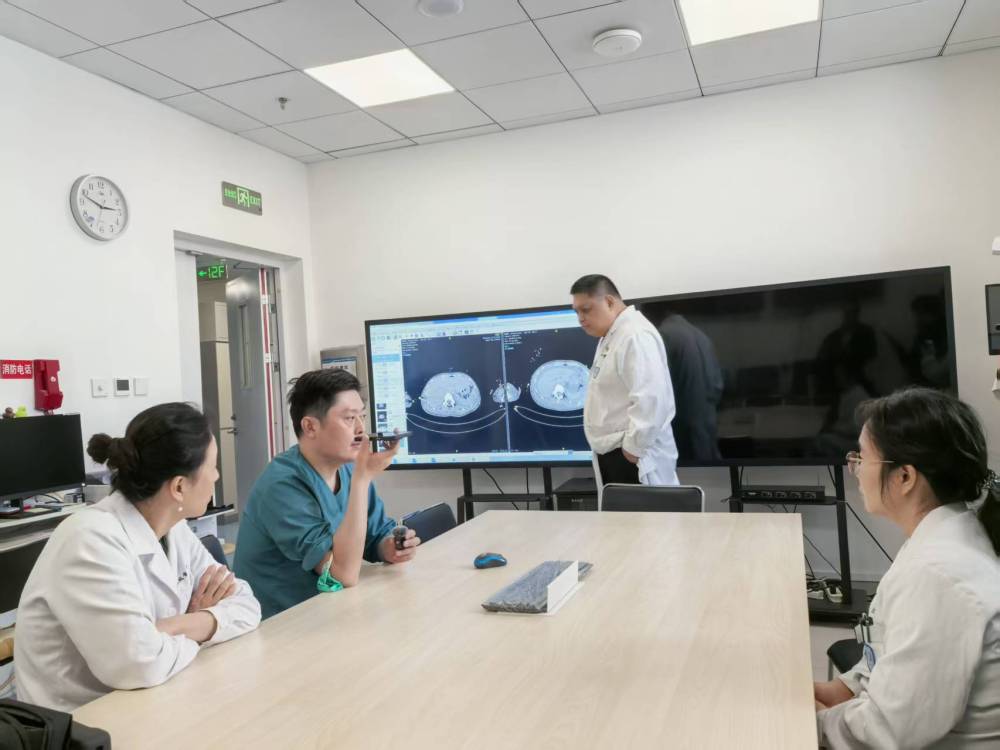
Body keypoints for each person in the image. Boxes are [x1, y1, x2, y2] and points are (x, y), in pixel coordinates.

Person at [14, 403, 261, 712]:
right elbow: (139, 664)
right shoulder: (90, 540)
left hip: (157, 698)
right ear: (179, 487)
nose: (217, 475)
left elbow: (247, 605)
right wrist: (201, 629)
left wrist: (176, 625)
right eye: (212, 466)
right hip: (84, 720)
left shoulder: (174, 529)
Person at [814, 387, 1000, 748]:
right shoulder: (943, 534)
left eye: (862, 457)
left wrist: (813, 722)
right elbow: (890, 649)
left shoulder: (937, 576)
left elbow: (888, 732)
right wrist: (840, 690)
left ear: (904, 477)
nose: (854, 469)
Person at [234, 368, 419, 619]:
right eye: (349, 418)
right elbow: (342, 574)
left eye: (362, 417)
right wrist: (362, 480)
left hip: (330, 611)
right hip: (282, 623)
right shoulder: (281, 485)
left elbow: (374, 534)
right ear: (310, 426)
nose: (361, 430)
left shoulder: (349, 468)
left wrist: (391, 547)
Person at [570, 274, 679, 487]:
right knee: (618, 509)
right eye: (576, 312)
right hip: (616, 451)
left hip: (633, 455)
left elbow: (651, 398)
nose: (580, 318)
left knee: (639, 509)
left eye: (586, 309)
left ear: (609, 302)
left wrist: (633, 447)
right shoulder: (612, 335)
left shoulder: (634, 336)